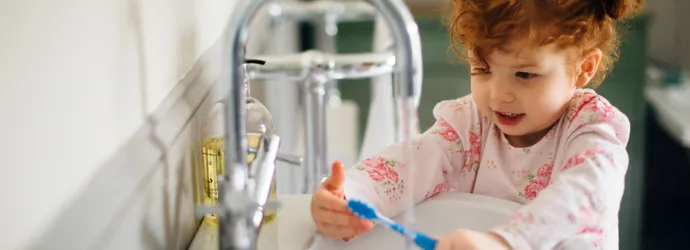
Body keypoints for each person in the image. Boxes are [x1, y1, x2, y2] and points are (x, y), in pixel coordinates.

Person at [310, 0, 643, 249]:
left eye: (525, 74)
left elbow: (585, 193)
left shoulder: (592, 129)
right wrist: (350, 194)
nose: (499, 95)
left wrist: (505, 242)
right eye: (482, 70)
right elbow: (412, 164)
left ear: (583, 69)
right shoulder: (470, 125)